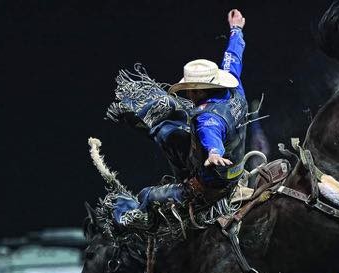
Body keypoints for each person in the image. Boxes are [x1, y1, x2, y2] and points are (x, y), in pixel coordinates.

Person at [106, 9, 248, 227]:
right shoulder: (234, 85)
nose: (187, 94)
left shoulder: (205, 117)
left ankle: (130, 224)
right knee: (174, 128)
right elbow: (233, 56)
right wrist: (236, 29)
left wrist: (213, 153)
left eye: (189, 90)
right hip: (235, 168)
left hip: (214, 186)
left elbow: (209, 133)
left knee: (147, 196)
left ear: (198, 91)